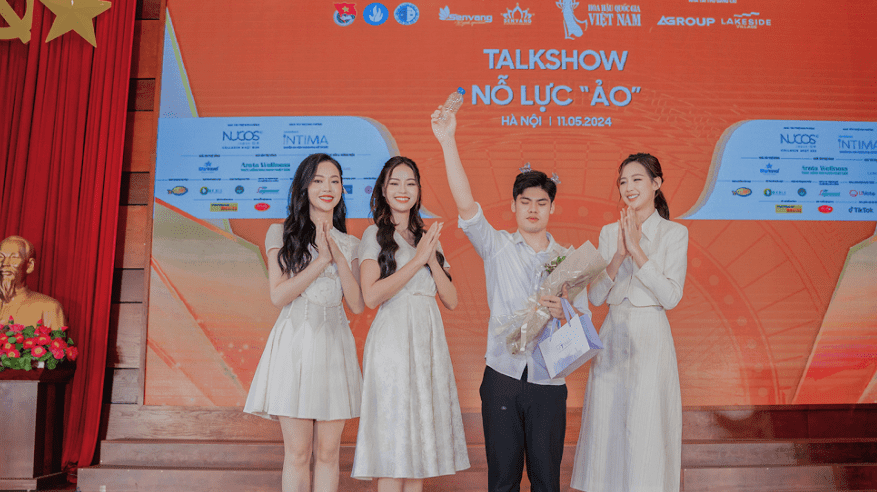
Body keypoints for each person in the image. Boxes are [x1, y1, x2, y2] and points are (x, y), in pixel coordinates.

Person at [431, 103, 591, 492]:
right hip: (502, 375)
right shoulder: (497, 246)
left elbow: (584, 325)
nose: (533, 209)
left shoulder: (570, 261)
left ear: (552, 207)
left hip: (548, 382)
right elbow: (466, 205)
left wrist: (565, 310)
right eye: (525, 202)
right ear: (514, 206)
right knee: (502, 481)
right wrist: (448, 140)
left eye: (541, 203)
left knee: (546, 481)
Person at [243, 153, 364, 492]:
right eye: (318, 180)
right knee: (297, 453)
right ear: (304, 187)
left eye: (335, 181)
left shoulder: (351, 243)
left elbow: (356, 304)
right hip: (294, 347)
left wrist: (338, 256)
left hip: (335, 347)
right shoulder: (280, 233)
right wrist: (321, 260)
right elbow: (278, 295)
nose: (328, 188)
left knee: (328, 453)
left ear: (342, 189)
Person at [570, 153, 688, 492]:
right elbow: (595, 297)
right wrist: (619, 253)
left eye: (637, 179)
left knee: (645, 424)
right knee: (608, 424)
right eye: (623, 181)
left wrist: (636, 250)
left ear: (656, 183)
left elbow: (671, 297)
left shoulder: (674, 233)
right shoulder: (609, 232)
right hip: (613, 333)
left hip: (651, 334)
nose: (628, 187)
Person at [351, 156, 469, 492]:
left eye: (410, 183)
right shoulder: (374, 235)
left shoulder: (428, 237)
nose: (403, 190)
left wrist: (430, 257)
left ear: (418, 190)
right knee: (394, 446)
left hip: (428, 342)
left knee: (419, 449)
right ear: (383, 190)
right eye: (395, 183)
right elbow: (371, 296)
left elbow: (451, 299)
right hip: (393, 344)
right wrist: (417, 261)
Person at [0, 235, 66, 328]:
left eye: (14, 257)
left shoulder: (48, 308)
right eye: (1, 257)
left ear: (30, 265)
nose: (5, 263)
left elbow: (57, 337)